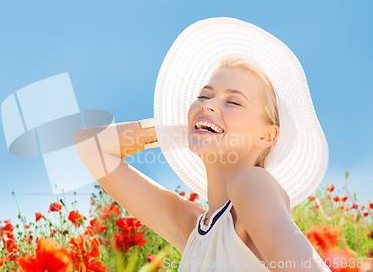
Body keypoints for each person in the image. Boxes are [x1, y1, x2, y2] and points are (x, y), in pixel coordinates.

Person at [74, 17, 331, 271]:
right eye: (204, 96)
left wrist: (204, 123)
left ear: (266, 136)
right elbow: (89, 144)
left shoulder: (252, 183)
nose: (208, 104)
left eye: (233, 102)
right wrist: (180, 129)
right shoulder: (193, 230)